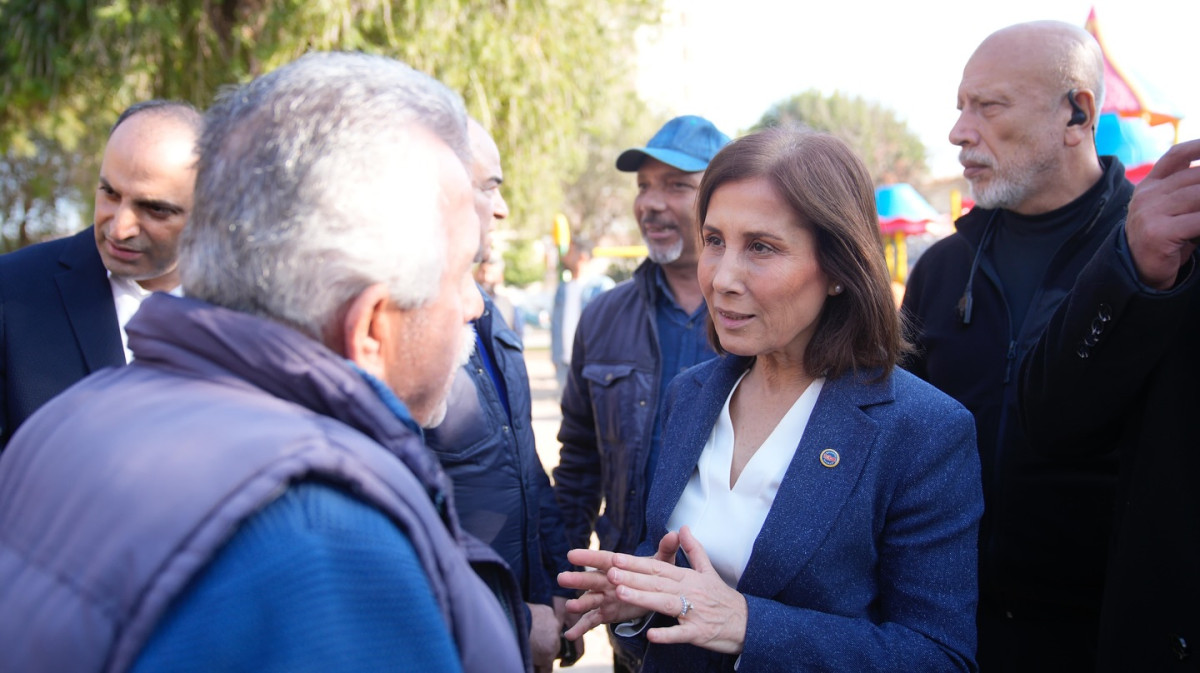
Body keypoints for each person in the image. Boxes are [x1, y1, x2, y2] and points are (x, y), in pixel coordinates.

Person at [0, 53, 527, 672]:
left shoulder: (80, 412)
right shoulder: (327, 540)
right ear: (370, 327)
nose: (474, 304)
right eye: (462, 272)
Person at [559, 127, 983, 672]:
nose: (723, 278)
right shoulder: (691, 394)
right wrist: (640, 604)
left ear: (838, 268)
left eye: (761, 247)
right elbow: (674, 580)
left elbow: (939, 657)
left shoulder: (923, 431)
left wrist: (748, 625)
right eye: (714, 240)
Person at [900, 21, 1134, 671]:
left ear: (1077, 113)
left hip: (1109, 637)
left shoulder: (1156, 259)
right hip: (947, 628)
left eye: (989, 106)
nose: (958, 132)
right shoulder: (940, 269)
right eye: (960, 108)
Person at [553, 114, 730, 672]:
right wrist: (562, 586)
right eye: (643, 187)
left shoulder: (758, 317)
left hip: (737, 619)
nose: (651, 203)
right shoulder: (603, 317)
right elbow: (578, 465)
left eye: (676, 186)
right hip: (628, 619)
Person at [1021, 138, 1200, 671]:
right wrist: (1133, 269)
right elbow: (1052, 423)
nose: (960, 131)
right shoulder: (1166, 234)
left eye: (989, 105)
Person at [425, 118, 576, 672]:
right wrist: (512, 619)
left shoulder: (491, 314)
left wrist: (556, 581)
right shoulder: (401, 336)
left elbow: (526, 467)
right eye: (489, 186)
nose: (502, 208)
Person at [0, 100, 201, 450]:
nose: (119, 228)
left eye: (154, 209)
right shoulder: (11, 292)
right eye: (110, 193)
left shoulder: (254, 312)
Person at [550, 237, 614, 389]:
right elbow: (556, 324)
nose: (564, 256)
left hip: (594, 363)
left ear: (582, 257)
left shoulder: (602, 287)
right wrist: (556, 355)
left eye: (570, 251)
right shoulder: (563, 288)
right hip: (565, 363)